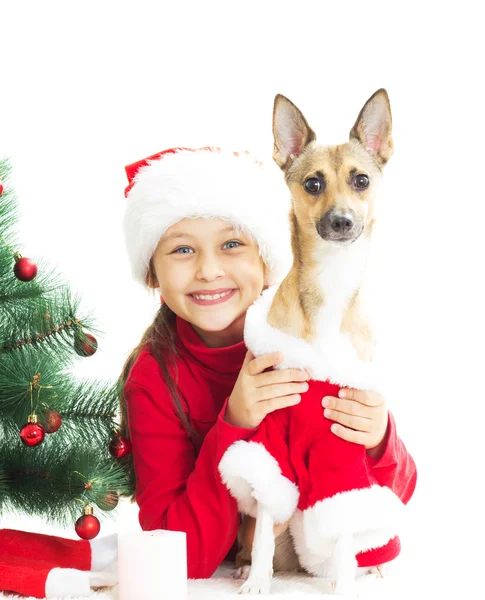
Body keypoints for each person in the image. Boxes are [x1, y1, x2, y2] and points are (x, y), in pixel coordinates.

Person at [119, 146, 417, 579]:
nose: (208, 270)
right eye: (182, 250)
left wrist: (378, 438)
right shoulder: (154, 378)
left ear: (269, 259)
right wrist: (234, 422)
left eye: (232, 244)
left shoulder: (309, 339)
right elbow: (176, 556)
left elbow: (397, 494)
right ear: (151, 273)